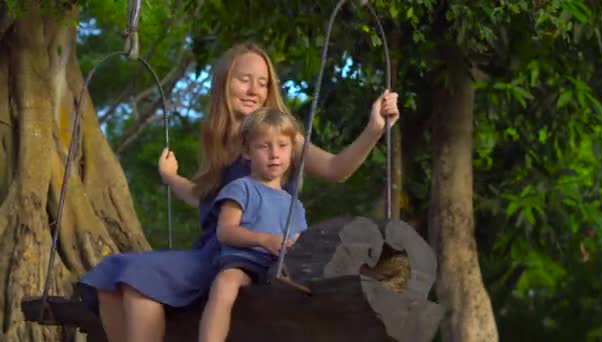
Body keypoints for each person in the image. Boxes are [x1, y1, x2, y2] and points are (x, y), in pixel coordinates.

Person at [79, 42, 399, 342]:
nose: (253, 90)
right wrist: (171, 178)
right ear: (223, 84)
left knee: (137, 279)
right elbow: (204, 198)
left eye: (262, 83)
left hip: (240, 255)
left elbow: (335, 169)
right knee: (109, 277)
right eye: (244, 79)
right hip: (210, 249)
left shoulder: (278, 137)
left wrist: (374, 129)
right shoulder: (223, 142)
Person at [199, 107, 307, 342]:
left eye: (282, 145)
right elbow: (225, 232)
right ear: (247, 151)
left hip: (279, 269)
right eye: (264, 146)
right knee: (225, 283)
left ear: (292, 151)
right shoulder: (241, 188)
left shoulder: (295, 205)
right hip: (244, 264)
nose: (274, 154)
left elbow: (301, 242)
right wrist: (263, 239)